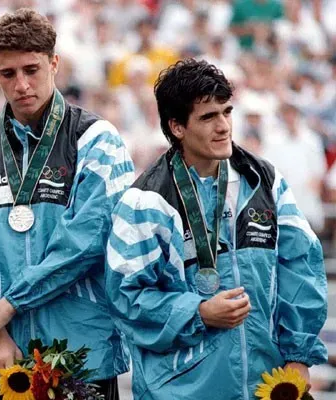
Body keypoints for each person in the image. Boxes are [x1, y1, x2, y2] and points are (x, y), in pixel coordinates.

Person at [0, 8, 134, 400]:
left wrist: (6, 306)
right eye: (8, 74)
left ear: (54, 63)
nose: (22, 84)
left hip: (80, 355)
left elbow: (86, 241)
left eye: (32, 69)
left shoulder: (96, 139)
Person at [105, 58, 328, 399]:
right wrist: (198, 312)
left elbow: (301, 267)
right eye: (208, 117)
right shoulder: (144, 202)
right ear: (177, 126)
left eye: (226, 112)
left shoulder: (264, 182)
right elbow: (127, 298)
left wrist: (299, 356)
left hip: (263, 386)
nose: (223, 126)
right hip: (178, 391)